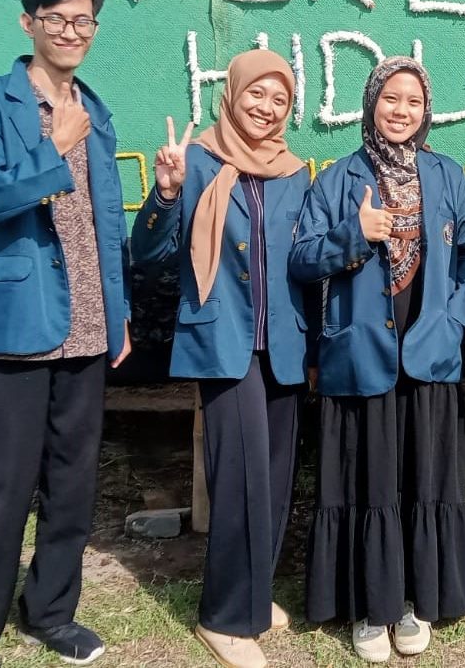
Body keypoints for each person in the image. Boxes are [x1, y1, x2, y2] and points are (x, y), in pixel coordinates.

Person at [0, 0, 131, 668]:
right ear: (28, 23)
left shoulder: (94, 110)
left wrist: (116, 313)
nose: (69, 32)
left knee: (71, 487)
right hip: (17, 327)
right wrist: (52, 146)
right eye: (55, 19)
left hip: (87, 326)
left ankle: (51, 612)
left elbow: (105, 220)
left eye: (82, 20)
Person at [290, 56, 465, 663]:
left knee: (423, 477)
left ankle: (416, 600)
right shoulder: (337, 179)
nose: (401, 111)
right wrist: (356, 235)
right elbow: (301, 260)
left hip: (429, 352)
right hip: (360, 355)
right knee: (367, 480)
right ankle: (372, 607)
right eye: (390, 99)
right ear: (371, 103)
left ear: (427, 112)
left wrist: (455, 320)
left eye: (413, 102)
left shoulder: (447, 176)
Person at [131, 50, 314, 668]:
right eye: (256, 94)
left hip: (283, 344)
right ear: (231, 95)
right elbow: (150, 255)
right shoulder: (199, 161)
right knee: (238, 479)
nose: (267, 108)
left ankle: (254, 595)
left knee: (276, 477)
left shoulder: (293, 173)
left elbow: (303, 258)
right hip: (222, 342)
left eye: (280, 99)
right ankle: (224, 617)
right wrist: (166, 192)